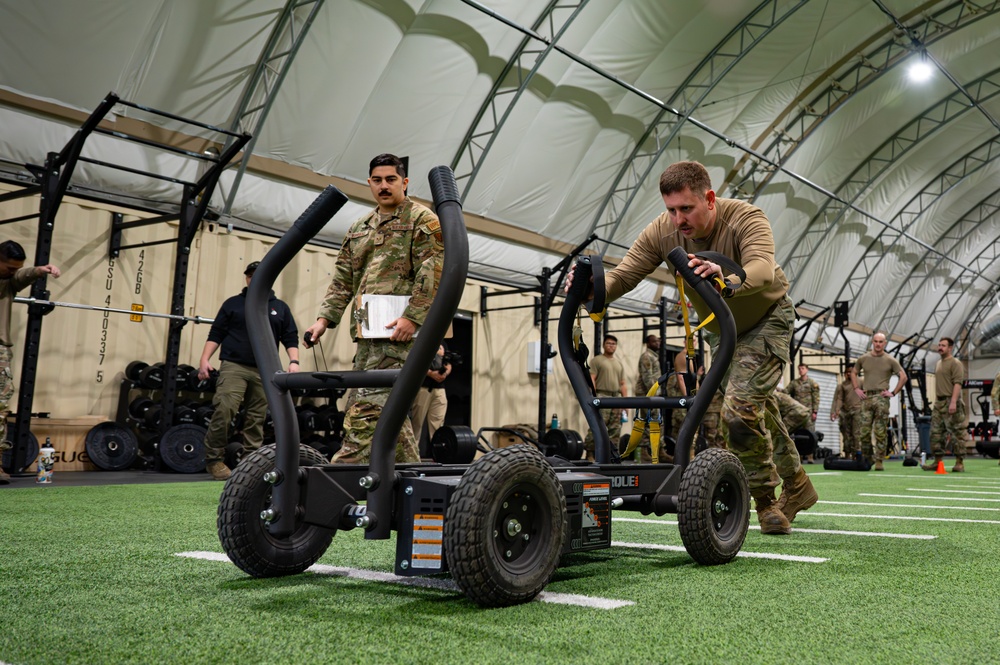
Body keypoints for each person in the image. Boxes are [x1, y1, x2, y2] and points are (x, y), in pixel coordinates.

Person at [568, 160, 817, 534]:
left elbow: (764, 267)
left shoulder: (745, 218)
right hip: (723, 329)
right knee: (753, 409)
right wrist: (590, 287)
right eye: (671, 209)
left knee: (739, 410)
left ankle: (765, 501)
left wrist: (728, 277)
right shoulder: (662, 233)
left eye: (687, 208)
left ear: (710, 199)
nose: (678, 219)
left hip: (767, 317)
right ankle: (797, 485)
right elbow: (626, 275)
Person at [304, 153, 443, 464]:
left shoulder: (422, 220)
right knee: (381, 409)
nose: (384, 186)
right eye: (377, 180)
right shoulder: (359, 227)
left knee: (365, 409)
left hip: (401, 334)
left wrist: (412, 318)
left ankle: (337, 479)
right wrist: (323, 321)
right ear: (369, 183)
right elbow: (343, 279)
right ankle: (412, 479)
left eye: (391, 179)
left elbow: (433, 272)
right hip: (368, 335)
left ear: (404, 182)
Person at [197, 261, 300, 480]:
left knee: (257, 417)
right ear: (246, 278)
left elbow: (290, 336)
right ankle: (214, 459)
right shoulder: (233, 304)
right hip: (234, 366)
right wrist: (205, 359)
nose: (253, 279)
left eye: (258, 275)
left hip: (266, 369)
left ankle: (251, 462)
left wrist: (294, 362)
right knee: (225, 408)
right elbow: (216, 333)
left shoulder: (279, 307)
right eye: (250, 276)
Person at [0, 241, 60, 485]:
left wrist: (38, 271)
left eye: (17, 269)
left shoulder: (7, 283)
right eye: (10, 268)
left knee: (0, 408)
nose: (14, 272)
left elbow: (21, 278)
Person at [852, 332, 907, 471]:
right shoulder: (864, 358)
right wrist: (856, 388)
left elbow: (903, 377)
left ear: (885, 343)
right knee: (863, 432)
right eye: (875, 341)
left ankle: (879, 460)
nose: (878, 344)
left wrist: (893, 392)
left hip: (881, 397)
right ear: (872, 342)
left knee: (880, 431)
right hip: (866, 397)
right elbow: (854, 372)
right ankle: (869, 457)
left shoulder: (890, 360)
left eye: (880, 341)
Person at [923, 337, 970, 472]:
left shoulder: (955, 363)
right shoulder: (938, 363)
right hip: (939, 402)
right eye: (939, 345)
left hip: (951, 401)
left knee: (957, 433)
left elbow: (957, 383)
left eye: (943, 345)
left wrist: (954, 401)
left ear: (950, 348)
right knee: (936, 433)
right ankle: (937, 462)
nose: (940, 347)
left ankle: (959, 463)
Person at [583, 334, 627, 461]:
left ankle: (611, 455)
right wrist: (594, 398)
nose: (611, 346)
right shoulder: (597, 360)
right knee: (597, 426)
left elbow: (623, 384)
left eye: (613, 344)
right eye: (608, 343)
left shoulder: (619, 364)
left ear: (616, 346)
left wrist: (625, 402)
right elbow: (592, 379)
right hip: (601, 396)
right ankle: (590, 454)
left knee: (615, 429)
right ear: (603, 345)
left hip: (616, 398)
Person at [411, 342, 451, 454]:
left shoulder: (443, 342)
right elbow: (414, 362)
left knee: (438, 424)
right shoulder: (421, 339)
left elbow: (448, 363)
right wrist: (430, 373)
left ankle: (438, 454)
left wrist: (444, 374)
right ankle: (413, 454)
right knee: (416, 423)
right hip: (423, 387)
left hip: (439, 389)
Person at [633, 334, 661, 462]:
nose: (658, 343)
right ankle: (644, 452)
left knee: (655, 422)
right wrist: (653, 394)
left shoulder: (653, 356)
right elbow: (647, 378)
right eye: (655, 341)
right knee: (647, 423)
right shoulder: (646, 356)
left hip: (653, 395)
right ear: (648, 343)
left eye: (658, 341)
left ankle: (657, 451)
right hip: (647, 395)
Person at [785, 363, 820, 463]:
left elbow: (816, 398)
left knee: (810, 434)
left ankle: (810, 456)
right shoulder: (794, 383)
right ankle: (798, 457)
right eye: (799, 369)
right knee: (798, 434)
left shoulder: (812, 383)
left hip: (808, 412)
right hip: (797, 413)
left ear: (807, 370)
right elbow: (786, 392)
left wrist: (815, 412)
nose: (801, 370)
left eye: (803, 368)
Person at [831, 367, 862, 459]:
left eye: (851, 372)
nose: (849, 374)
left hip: (857, 410)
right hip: (846, 412)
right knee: (846, 434)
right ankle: (847, 454)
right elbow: (839, 399)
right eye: (847, 372)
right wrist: (836, 410)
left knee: (856, 433)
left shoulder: (861, 382)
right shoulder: (842, 385)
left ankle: (857, 454)